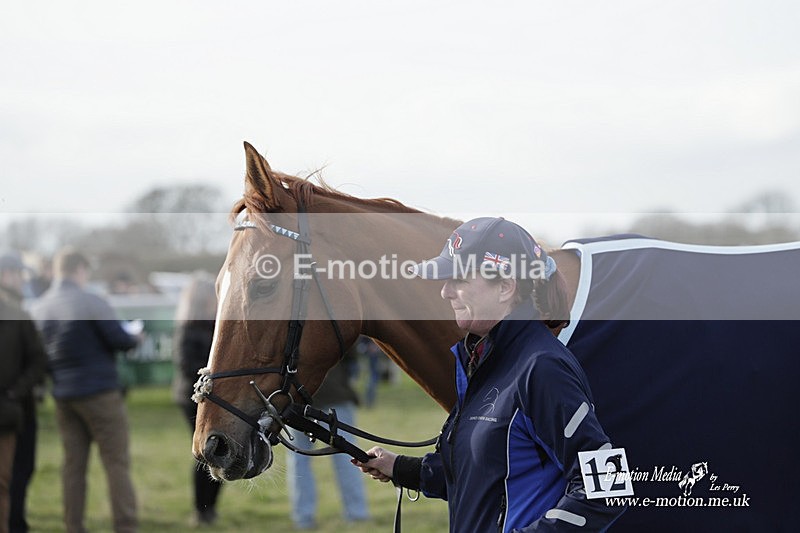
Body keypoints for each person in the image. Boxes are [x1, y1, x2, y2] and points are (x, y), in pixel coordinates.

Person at [353, 217, 626, 532]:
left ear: (506, 287)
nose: (445, 292)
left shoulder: (542, 367)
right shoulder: (483, 360)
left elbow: (609, 486)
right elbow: (483, 475)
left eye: (459, 279)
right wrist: (400, 468)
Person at [30, 247, 140, 533]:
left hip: (64, 396)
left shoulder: (39, 307)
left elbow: (39, 357)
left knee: (72, 466)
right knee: (116, 462)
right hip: (101, 393)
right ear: (80, 269)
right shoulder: (92, 301)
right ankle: (125, 525)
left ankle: (73, 526)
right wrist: (135, 336)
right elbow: (120, 340)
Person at [286, 349, 370, 530]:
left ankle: (303, 516)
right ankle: (357, 513)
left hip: (298, 396)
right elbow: (350, 349)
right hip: (330, 391)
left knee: (300, 458)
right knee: (347, 456)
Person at [0, 251, 47, 533]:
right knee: (12, 476)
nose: (22, 280)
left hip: (16, 405)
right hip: (14, 411)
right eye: (18, 274)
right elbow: (39, 360)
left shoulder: (20, 311)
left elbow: (36, 360)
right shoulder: (17, 314)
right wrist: (16, 392)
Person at [171, 272, 223, 526]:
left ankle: (210, 508)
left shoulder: (217, 325)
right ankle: (201, 509)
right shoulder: (188, 329)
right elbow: (186, 366)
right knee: (205, 454)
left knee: (220, 453)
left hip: (216, 398)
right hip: (193, 399)